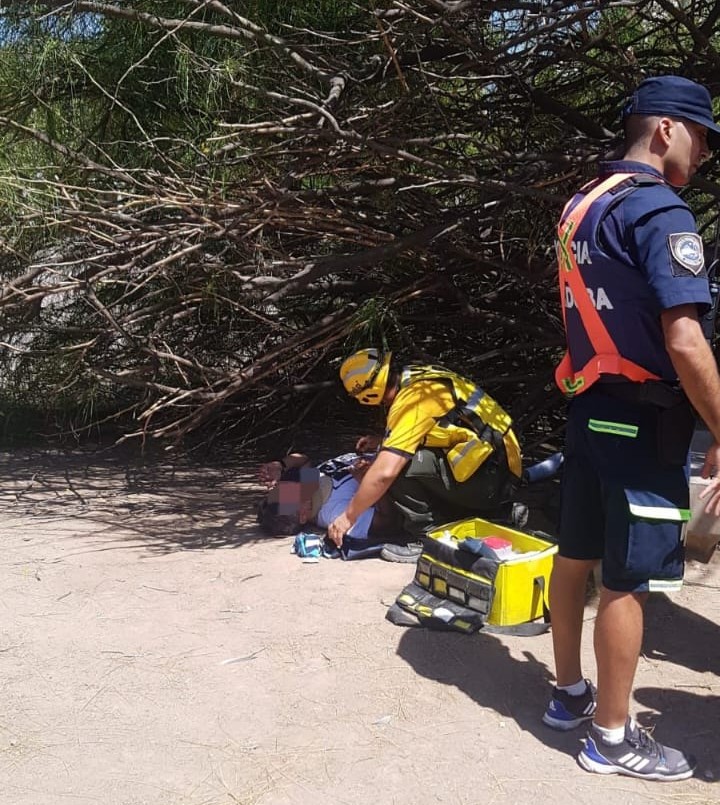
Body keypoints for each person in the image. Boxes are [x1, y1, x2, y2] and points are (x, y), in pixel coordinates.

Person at [545, 74, 720, 781]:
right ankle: (612, 738)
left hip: (590, 407)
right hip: (643, 422)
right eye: (702, 138)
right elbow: (684, 340)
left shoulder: (583, 207)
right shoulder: (660, 212)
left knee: (575, 551)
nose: (704, 155)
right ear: (666, 132)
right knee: (628, 577)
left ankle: (567, 694)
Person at [327, 349, 524, 561]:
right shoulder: (418, 377)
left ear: (367, 392)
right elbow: (441, 428)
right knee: (405, 462)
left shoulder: (412, 398)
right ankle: (495, 516)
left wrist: (348, 516)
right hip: (498, 469)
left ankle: (428, 539)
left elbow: (385, 471)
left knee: (397, 468)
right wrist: (382, 441)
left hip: (493, 479)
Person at [256, 451, 402, 550]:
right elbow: (387, 521)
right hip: (399, 463)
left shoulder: (310, 488)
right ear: (302, 515)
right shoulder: (334, 513)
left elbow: (304, 460)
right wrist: (369, 482)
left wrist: (281, 465)